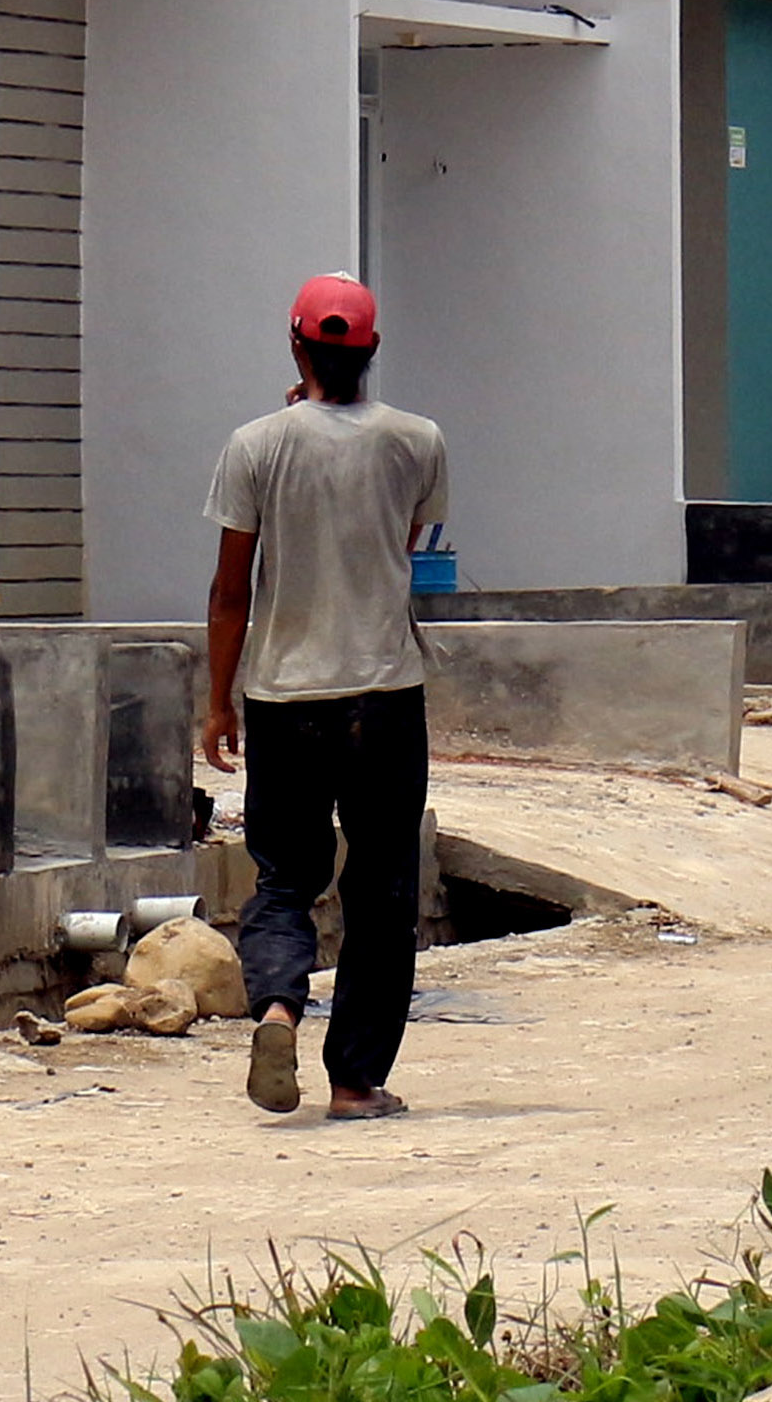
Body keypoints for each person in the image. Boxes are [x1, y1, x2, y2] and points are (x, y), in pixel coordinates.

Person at [200, 272, 448, 1122]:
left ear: (295, 347)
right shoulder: (418, 442)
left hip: (282, 695)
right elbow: (399, 539)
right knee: (380, 888)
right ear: (370, 352)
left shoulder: (254, 444)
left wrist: (217, 701)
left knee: (282, 876)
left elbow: (230, 590)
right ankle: (354, 1082)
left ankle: (275, 1005)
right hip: (383, 695)